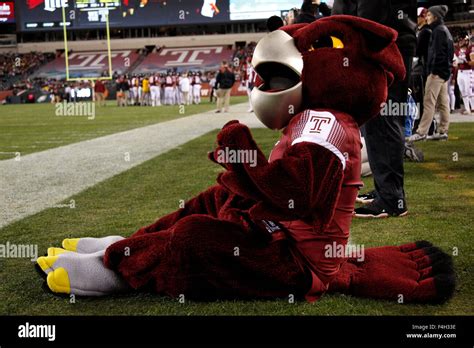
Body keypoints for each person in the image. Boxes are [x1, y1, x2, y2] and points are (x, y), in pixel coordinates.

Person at [334, 0, 417, 218]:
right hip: (385, 40)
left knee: (384, 117)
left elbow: (372, 10)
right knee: (379, 116)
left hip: (381, 43)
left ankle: (391, 200)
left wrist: (358, 45)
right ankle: (386, 190)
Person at [408, 5, 454, 142]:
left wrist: (433, 71)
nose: (427, 17)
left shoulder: (438, 31)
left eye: (429, 15)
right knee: (443, 103)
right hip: (443, 73)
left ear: (435, 16)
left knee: (429, 102)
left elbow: (439, 54)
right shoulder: (443, 30)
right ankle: (442, 131)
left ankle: (422, 132)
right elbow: (448, 54)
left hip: (436, 73)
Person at [455, 36, 474, 114]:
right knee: (463, 91)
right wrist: (456, 63)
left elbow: (472, 62)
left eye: (462, 40)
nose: (460, 42)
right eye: (459, 41)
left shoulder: (470, 50)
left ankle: (473, 107)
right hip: (460, 72)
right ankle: (467, 109)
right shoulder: (457, 51)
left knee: (469, 91)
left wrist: (465, 61)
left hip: (468, 72)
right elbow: (455, 65)